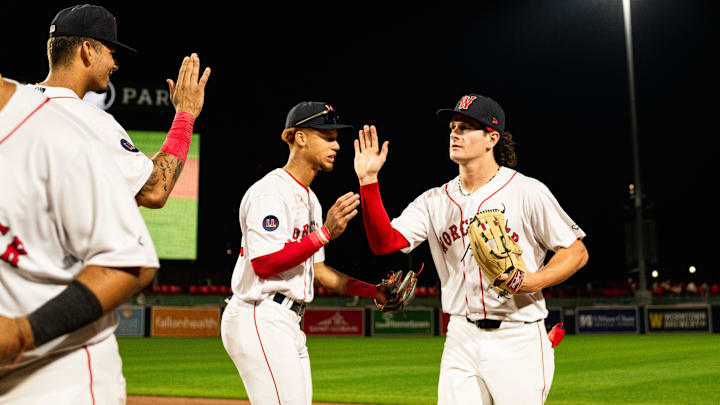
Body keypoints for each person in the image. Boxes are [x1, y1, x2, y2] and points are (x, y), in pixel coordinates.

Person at [353, 93, 589, 404]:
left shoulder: (527, 191)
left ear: (492, 138)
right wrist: (369, 181)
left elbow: (576, 252)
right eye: (453, 127)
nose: (455, 133)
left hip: (517, 336)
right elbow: (384, 243)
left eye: (465, 127)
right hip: (461, 336)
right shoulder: (434, 200)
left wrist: (531, 281)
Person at [0, 74, 159, 403]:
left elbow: (130, 261)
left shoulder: (58, 134)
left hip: (50, 376)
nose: (116, 64)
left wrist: (22, 333)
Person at [221, 102, 390, 405]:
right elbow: (263, 264)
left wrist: (373, 292)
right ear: (300, 138)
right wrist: (324, 233)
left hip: (288, 321)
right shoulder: (272, 192)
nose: (336, 144)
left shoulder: (311, 199)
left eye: (336, 137)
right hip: (259, 313)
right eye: (327, 137)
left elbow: (321, 272)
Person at [33, 4, 211, 208]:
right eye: (112, 53)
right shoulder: (91, 123)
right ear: (87, 51)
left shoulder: (12, 102)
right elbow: (154, 190)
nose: (115, 65)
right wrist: (185, 114)